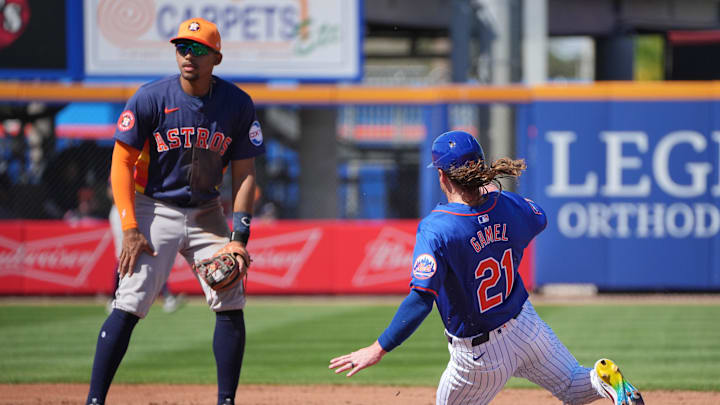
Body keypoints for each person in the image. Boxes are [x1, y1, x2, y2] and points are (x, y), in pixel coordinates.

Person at [329, 130, 644, 405]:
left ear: (442, 176)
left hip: (479, 356)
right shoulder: (506, 205)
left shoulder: (437, 228)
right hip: (526, 327)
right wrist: (495, 200)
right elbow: (539, 218)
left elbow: (421, 298)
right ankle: (602, 380)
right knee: (574, 387)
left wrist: (379, 347)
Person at [86, 18, 265, 405]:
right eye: (183, 47)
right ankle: (94, 401)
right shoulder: (150, 97)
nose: (189, 55)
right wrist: (131, 226)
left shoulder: (237, 104)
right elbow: (120, 163)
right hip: (155, 207)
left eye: (199, 49)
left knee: (230, 296)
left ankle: (226, 401)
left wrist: (238, 239)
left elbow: (245, 174)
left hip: (207, 210)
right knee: (130, 301)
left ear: (216, 58)